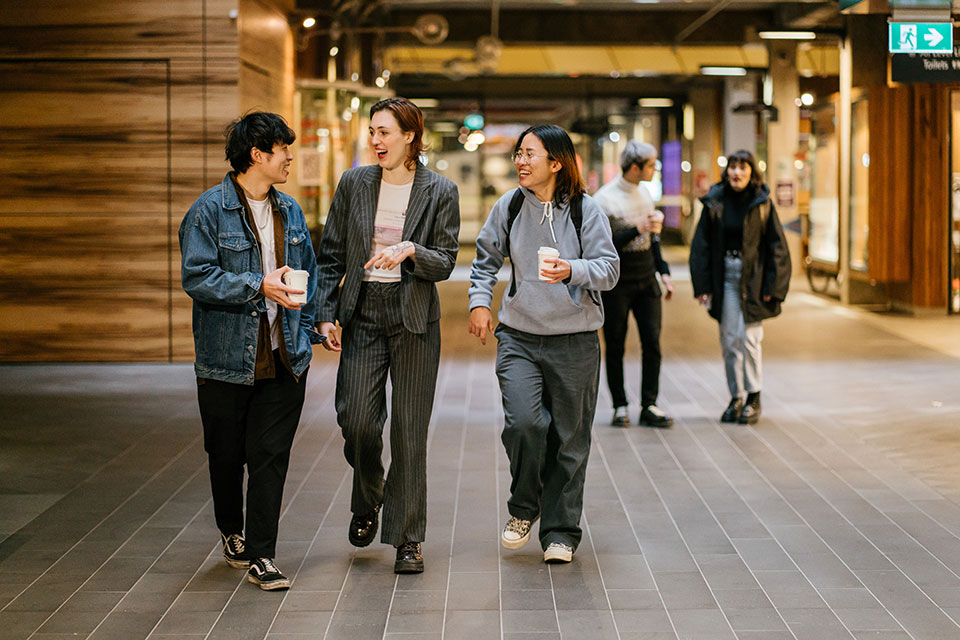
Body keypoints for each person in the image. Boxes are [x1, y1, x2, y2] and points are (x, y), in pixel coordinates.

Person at [314, 97, 460, 574]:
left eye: (384, 132)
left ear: (410, 136)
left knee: (409, 433)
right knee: (356, 421)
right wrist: (326, 313)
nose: (375, 140)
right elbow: (332, 252)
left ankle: (408, 537)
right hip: (364, 313)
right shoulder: (355, 183)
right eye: (372, 132)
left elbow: (445, 261)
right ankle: (370, 493)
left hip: (413, 313)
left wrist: (410, 250)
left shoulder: (439, 190)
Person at [179, 111, 320, 591]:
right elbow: (197, 277)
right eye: (283, 149)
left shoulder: (290, 211)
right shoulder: (208, 210)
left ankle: (264, 554)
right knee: (226, 455)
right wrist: (257, 284)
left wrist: (320, 324)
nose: (289, 158)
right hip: (226, 361)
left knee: (269, 456)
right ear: (257, 154)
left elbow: (310, 273)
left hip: (284, 357)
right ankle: (231, 530)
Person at [468, 125, 619, 564]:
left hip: (575, 341)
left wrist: (571, 270)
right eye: (518, 154)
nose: (520, 161)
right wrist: (480, 304)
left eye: (529, 154)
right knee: (524, 424)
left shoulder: (586, 211)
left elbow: (608, 270)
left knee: (570, 441)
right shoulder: (510, 205)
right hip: (518, 336)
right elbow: (484, 261)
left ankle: (561, 532)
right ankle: (524, 505)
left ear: (556, 162)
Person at [689, 149, 791, 425]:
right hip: (726, 278)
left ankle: (754, 396)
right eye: (733, 167)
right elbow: (701, 246)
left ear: (752, 172)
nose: (737, 173)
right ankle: (736, 396)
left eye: (743, 167)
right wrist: (703, 285)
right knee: (729, 341)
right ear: (727, 172)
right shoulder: (715, 201)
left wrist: (774, 286)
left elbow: (778, 248)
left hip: (754, 279)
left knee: (750, 340)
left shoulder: (762, 203)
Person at [592, 141, 674, 429]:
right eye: (652, 164)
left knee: (652, 342)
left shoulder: (645, 193)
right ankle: (620, 405)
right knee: (615, 344)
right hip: (617, 283)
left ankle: (649, 404)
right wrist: (637, 228)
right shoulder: (605, 199)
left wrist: (663, 271)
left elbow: (652, 240)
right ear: (636, 166)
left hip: (646, 279)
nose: (656, 169)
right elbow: (603, 245)